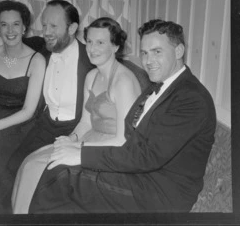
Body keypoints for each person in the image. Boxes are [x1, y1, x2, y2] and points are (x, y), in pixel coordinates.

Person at [28, 19, 217, 213]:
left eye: (157, 52)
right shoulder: (158, 86)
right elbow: (130, 136)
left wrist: (81, 154)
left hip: (161, 192)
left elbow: (148, 156)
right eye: (144, 53)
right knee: (59, 169)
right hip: (139, 175)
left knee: (62, 173)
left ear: (178, 51)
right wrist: (76, 146)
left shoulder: (191, 98)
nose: (148, 61)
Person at [11, 17, 142, 213]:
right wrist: (70, 138)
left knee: (46, 169)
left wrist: (77, 148)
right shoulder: (91, 76)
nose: (92, 48)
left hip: (111, 150)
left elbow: (123, 139)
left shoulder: (123, 81)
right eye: (89, 41)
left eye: (100, 43)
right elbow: (85, 122)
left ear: (115, 47)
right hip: (89, 140)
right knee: (32, 161)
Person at [6, 0, 95, 182]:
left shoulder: (91, 59)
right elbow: (13, 50)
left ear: (72, 28)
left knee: (47, 178)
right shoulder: (41, 54)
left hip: (76, 128)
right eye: (44, 25)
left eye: (53, 26)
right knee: (13, 166)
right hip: (45, 125)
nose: (46, 32)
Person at [0, 0, 46, 213]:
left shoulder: (37, 60)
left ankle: (9, 213)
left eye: (16, 24)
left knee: (0, 159)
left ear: (24, 27)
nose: (10, 30)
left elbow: (29, 111)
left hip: (23, 125)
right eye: (4, 24)